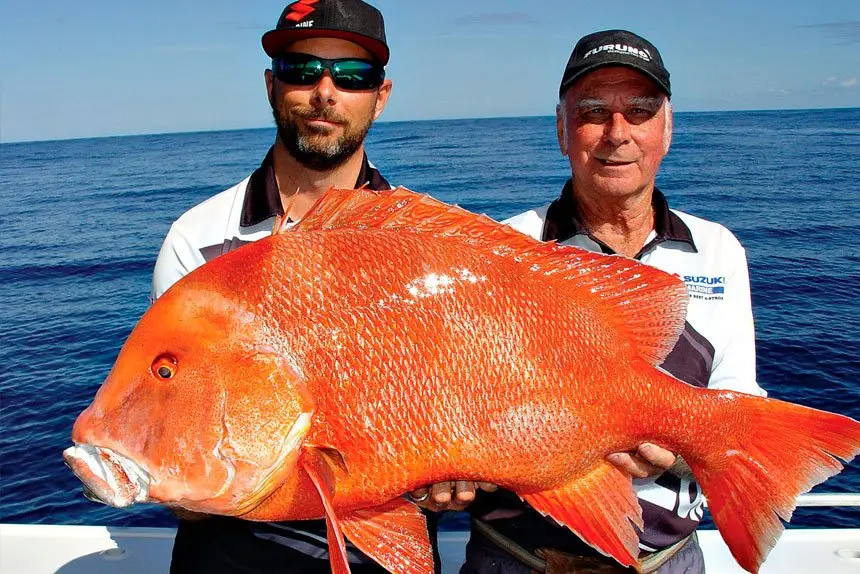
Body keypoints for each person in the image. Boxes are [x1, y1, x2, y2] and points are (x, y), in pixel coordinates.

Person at [412, 30, 766, 574]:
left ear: (667, 129)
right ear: (562, 129)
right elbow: (445, 397)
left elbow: (736, 399)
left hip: (670, 560)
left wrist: (683, 452)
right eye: (594, 111)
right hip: (516, 558)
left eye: (640, 111)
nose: (616, 134)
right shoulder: (506, 249)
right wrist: (429, 479)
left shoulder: (717, 249)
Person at [151, 1, 408, 572]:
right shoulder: (199, 241)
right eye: (302, 70)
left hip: (382, 542)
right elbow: (179, 442)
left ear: (380, 95)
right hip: (232, 548)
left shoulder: (421, 245)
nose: (325, 92)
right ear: (272, 86)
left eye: (352, 77)